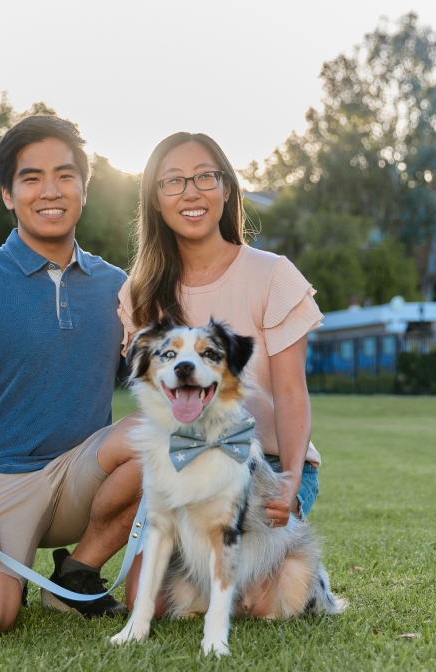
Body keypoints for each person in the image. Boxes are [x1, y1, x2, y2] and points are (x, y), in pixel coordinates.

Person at [0, 116, 141, 641]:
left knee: (162, 433)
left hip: (83, 477)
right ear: (8, 195)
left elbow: (170, 374)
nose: (50, 191)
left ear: (85, 187)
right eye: (31, 178)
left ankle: (73, 576)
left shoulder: (120, 288)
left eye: (64, 175)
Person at [118, 132, 324, 614]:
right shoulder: (140, 292)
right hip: (179, 462)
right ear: (154, 197)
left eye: (205, 177)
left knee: (273, 604)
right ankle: (88, 571)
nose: (191, 192)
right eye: (173, 181)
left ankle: (283, 562)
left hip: (267, 467)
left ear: (227, 189)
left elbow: (293, 393)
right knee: (144, 602)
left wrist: (291, 480)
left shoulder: (273, 275)